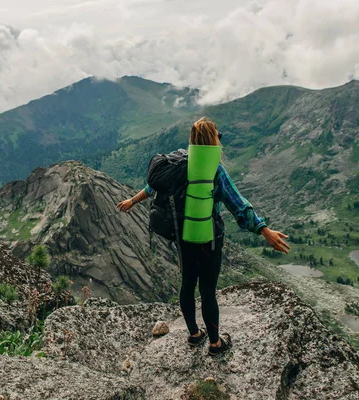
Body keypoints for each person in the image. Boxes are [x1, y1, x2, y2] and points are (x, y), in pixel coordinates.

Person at [116, 117, 290, 355]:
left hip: (184, 236)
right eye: (218, 136)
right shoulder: (215, 170)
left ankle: (194, 334)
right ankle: (216, 344)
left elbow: (154, 187)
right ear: (213, 140)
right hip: (210, 239)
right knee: (208, 290)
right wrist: (263, 230)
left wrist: (132, 201)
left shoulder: (179, 163)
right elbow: (238, 204)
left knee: (187, 284)